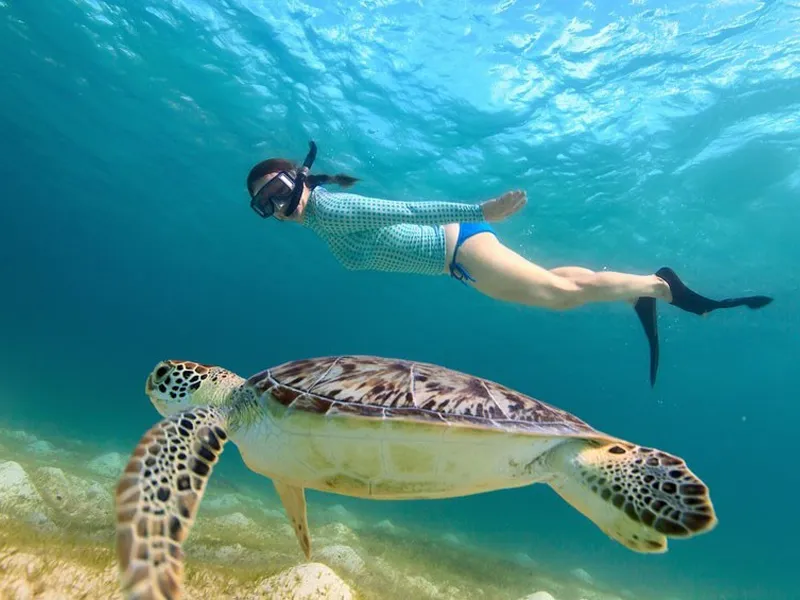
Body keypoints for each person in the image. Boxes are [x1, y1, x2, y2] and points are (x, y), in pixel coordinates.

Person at [246, 142, 773, 385]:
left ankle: (659, 288)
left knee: (560, 298)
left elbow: (404, 209)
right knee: (560, 285)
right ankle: (645, 287)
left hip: (457, 248)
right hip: (457, 255)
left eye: (273, 191)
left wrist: (483, 210)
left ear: (295, 178)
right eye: (262, 205)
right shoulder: (321, 219)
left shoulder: (330, 208)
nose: (274, 207)